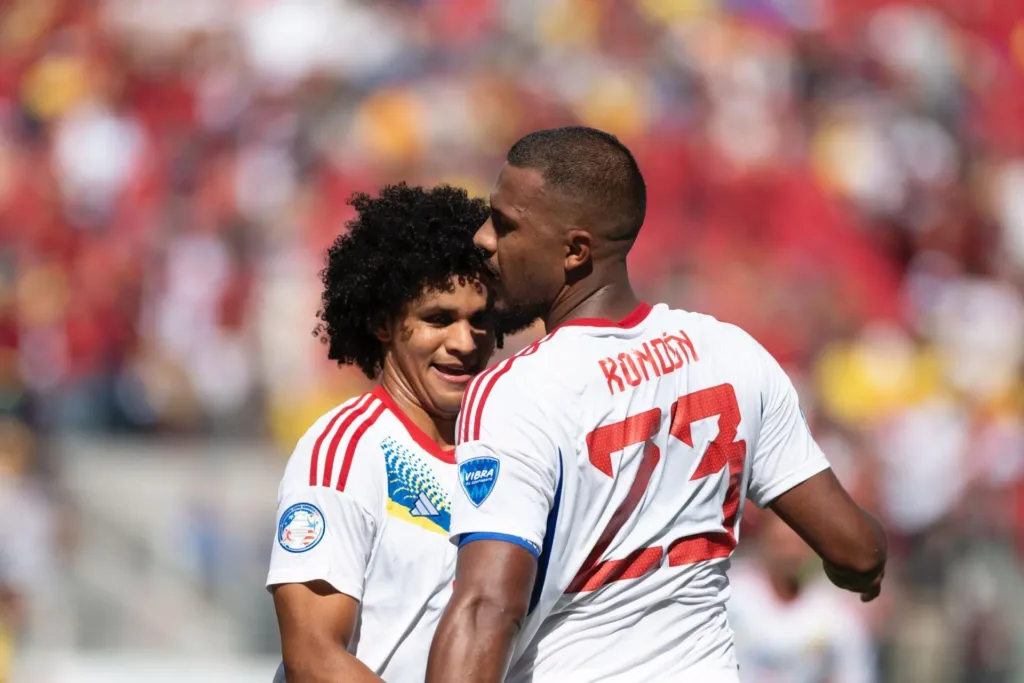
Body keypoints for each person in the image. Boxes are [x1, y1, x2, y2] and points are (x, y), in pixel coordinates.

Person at [426, 126, 887, 683]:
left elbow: (485, 609)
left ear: (575, 250)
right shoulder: (730, 353)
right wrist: (861, 577)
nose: (483, 238)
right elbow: (857, 551)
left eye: (505, 225)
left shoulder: (518, 390)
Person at [267, 183, 523, 683]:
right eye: (438, 319)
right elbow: (312, 657)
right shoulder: (343, 452)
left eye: (480, 320)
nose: (464, 342)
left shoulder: (513, 450)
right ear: (385, 323)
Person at [727, 511, 877, 683]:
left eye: (798, 544)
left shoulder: (837, 612)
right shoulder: (729, 596)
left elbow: (855, 673)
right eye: (781, 544)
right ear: (763, 541)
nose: (790, 554)